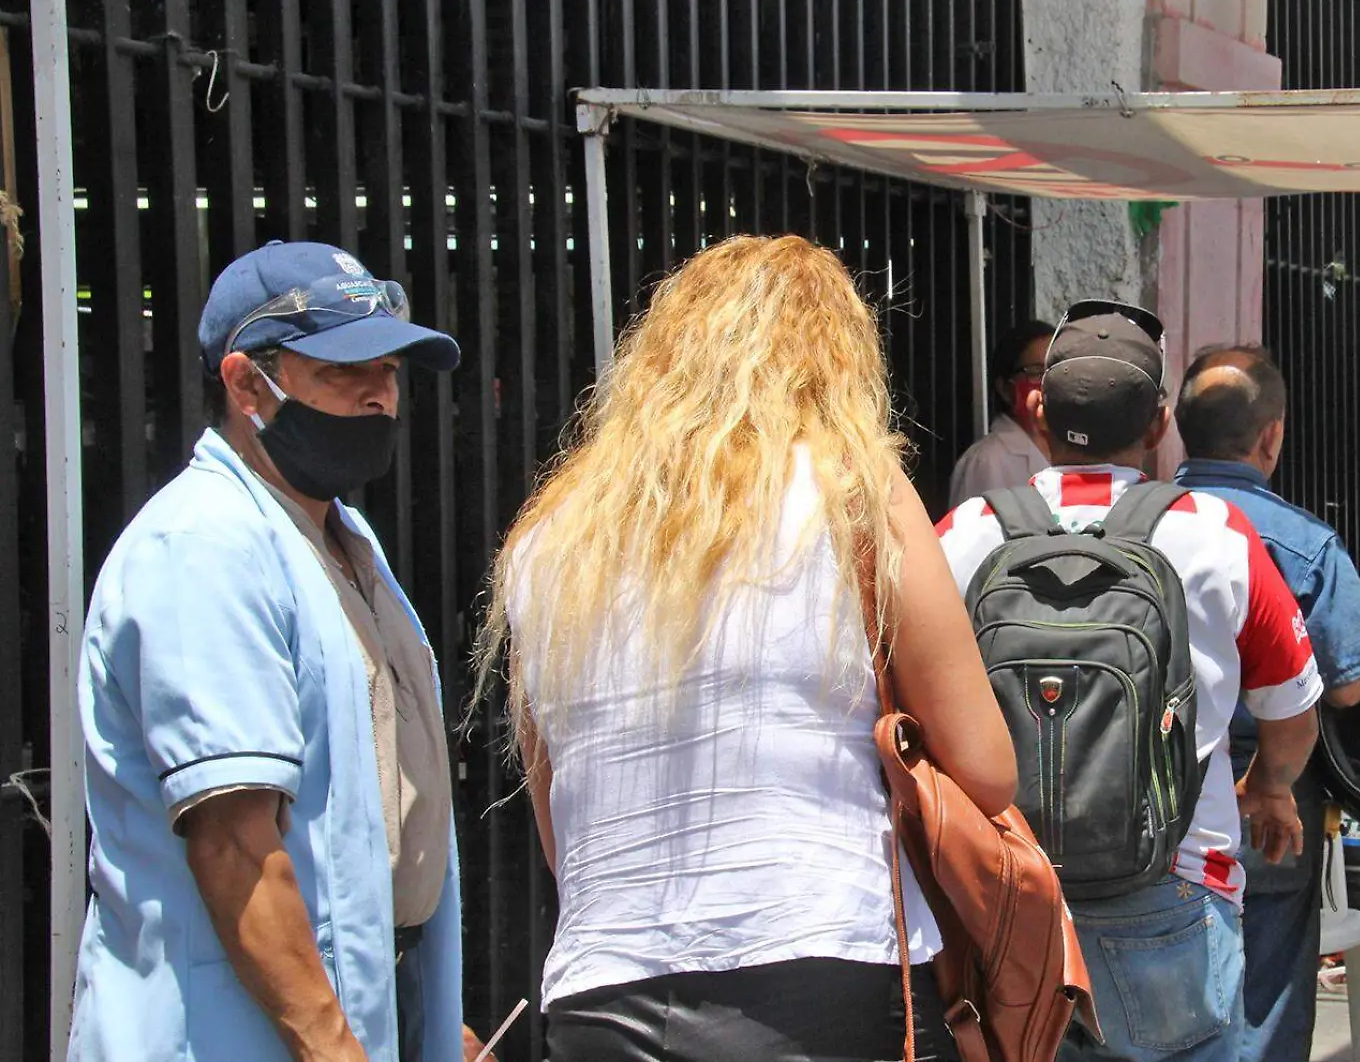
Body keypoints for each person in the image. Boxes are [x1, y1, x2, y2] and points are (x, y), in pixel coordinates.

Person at [478, 235, 1016, 1062]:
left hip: (598, 986)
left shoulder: (552, 536)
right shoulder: (853, 491)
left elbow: (562, 826)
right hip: (818, 960)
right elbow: (984, 767)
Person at [70, 241, 474, 1062]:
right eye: (342, 372)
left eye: (390, 373)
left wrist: (431, 1025)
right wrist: (336, 1046)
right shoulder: (203, 545)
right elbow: (231, 842)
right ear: (247, 383)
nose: (379, 398)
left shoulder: (342, 540)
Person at [936, 303, 1321, 1062]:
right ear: (1160, 423)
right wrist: (1270, 787)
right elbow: (1294, 711)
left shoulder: (965, 532)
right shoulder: (1216, 534)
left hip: (1011, 902)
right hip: (1176, 895)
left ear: (1039, 410)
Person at [1173, 346, 1360, 1062]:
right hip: (1266, 789)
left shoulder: (1130, 524)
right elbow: (1352, 682)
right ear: (1272, 437)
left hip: (1140, 791)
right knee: (1264, 992)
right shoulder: (1304, 544)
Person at [946, 320, 1055, 505]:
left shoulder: (1077, 447)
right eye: (1036, 372)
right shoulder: (986, 462)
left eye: (1055, 369)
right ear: (1005, 388)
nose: (1048, 381)